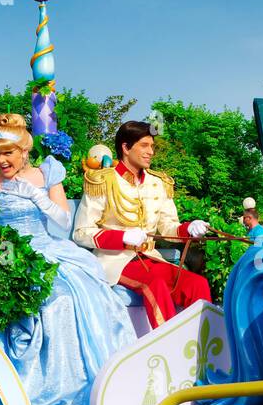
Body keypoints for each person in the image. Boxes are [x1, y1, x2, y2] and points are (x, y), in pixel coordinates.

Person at [0, 115, 138, 405]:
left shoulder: (47, 173)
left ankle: (100, 385)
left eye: (8, 153)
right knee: (54, 299)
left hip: (53, 248)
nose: (1, 160)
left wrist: (36, 196)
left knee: (86, 294)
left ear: (24, 151)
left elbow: (62, 223)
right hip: (9, 252)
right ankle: (45, 391)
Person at [71, 121, 212, 329]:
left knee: (197, 284)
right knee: (156, 283)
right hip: (117, 261)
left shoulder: (158, 183)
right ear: (126, 148)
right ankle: (169, 347)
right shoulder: (103, 182)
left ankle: (203, 344)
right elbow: (81, 233)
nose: (151, 152)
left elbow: (168, 227)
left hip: (151, 258)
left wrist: (188, 228)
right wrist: (122, 238)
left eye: (152, 146)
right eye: (144, 145)